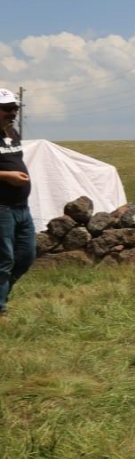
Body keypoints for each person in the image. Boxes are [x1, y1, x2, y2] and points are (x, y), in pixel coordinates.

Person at [0, 88, 34, 317]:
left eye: (16, 109)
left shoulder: (12, 132)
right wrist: (6, 176)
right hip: (1, 207)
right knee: (5, 258)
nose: (13, 113)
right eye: (8, 109)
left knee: (27, 255)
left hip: (22, 207)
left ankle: (1, 293)